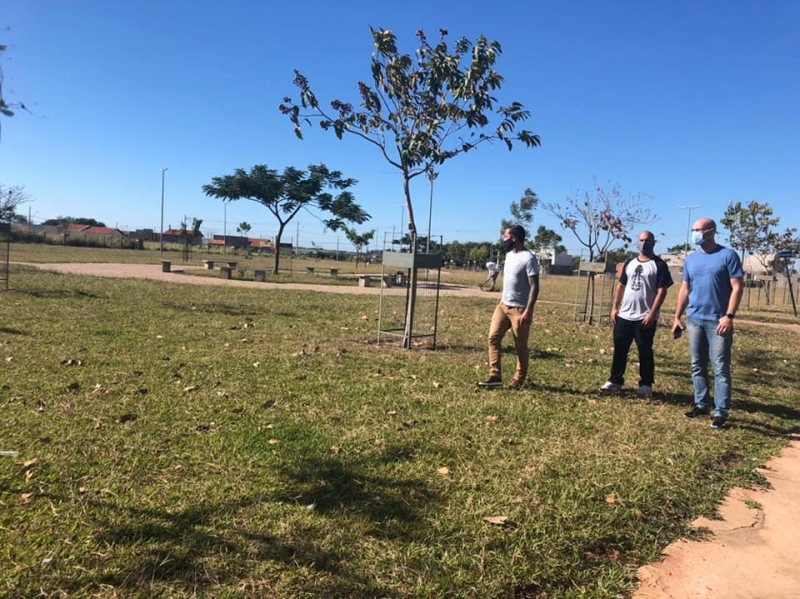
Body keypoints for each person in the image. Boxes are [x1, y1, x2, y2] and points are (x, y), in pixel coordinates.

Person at [672, 217, 743, 430]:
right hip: (694, 319)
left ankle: (720, 412)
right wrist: (677, 316)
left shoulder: (728, 256)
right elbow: (685, 289)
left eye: (698, 229)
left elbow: (737, 287)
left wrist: (728, 316)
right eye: (693, 229)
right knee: (697, 365)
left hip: (718, 322)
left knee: (720, 367)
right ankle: (701, 404)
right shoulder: (691, 259)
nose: (694, 233)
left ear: (711, 231)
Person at [599, 231, 673, 397]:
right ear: (637, 242)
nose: (644, 243)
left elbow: (662, 291)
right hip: (624, 316)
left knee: (645, 350)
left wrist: (652, 314)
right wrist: (614, 308)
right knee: (620, 349)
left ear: (654, 243)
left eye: (647, 240)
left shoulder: (659, 265)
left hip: (644, 317)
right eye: (641, 240)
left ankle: (646, 384)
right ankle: (615, 380)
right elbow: (620, 286)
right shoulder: (630, 263)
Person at [477, 225, 540, 390]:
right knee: (493, 338)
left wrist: (528, 310)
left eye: (505, 236)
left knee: (520, 346)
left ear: (514, 238)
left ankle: (519, 378)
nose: (503, 240)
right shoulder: (509, 255)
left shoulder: (529, 258)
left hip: (519, 310)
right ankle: (495, 375)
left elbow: (535, 286)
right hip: (503, 306)